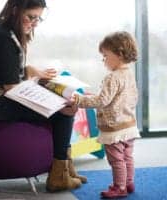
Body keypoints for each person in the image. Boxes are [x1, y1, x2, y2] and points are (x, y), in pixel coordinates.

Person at [0, 0, 87, 192]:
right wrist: (46, 97)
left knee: (63, 103)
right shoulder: (2, 38)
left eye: (38, 19)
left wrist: (31, 71)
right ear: (15, 10)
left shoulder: (3, 33)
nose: (34, 23)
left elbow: (4, 73)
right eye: (31, 17)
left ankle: (64, 168)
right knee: (65, 108)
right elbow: (11, 89)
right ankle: (59, 174)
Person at [71, 31, 141, 198]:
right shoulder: (129, 73)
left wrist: (79, 100)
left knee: (116, 160)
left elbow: (102, 101)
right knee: (127, 157)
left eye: (105, 56)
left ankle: (119, 187)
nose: (103, 60)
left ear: (119, 54)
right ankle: (128, 182)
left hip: (114, 128)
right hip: (128, 125)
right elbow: (118, 97)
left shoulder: (112, 77)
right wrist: (92, 96)